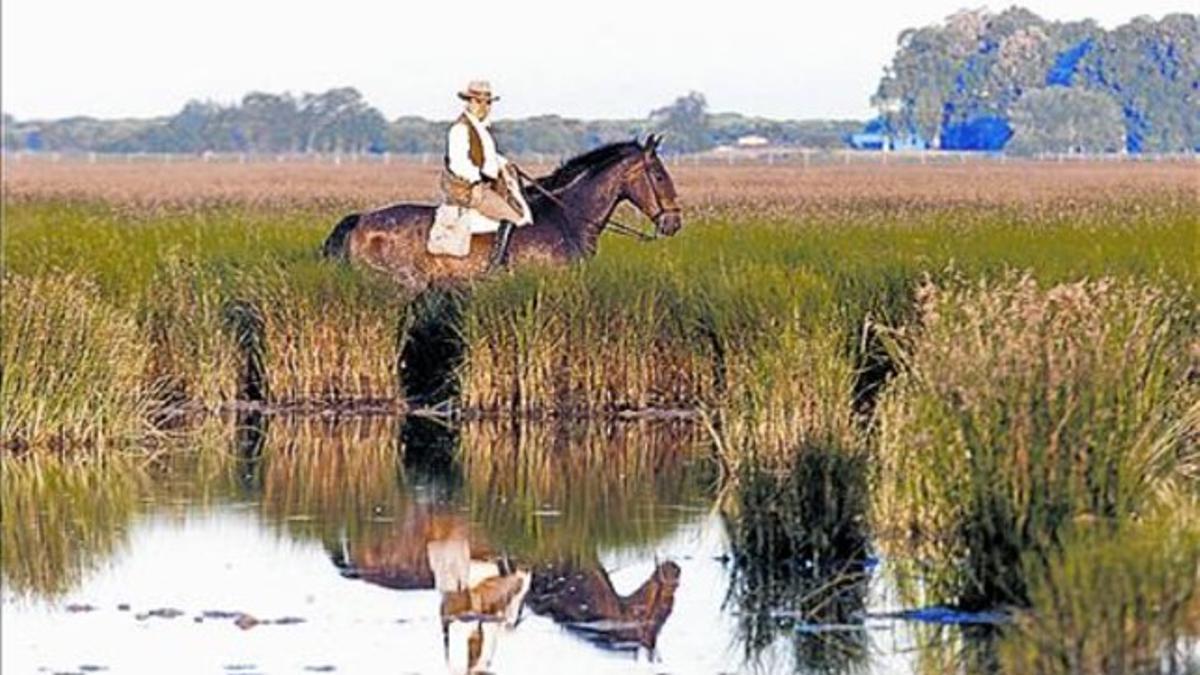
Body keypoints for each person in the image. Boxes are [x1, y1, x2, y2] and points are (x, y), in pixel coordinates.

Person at [441, 80, 530, 269]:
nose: (483, 107)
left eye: (487, 102)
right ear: (468, 101)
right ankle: (496, 265)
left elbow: (488, 156)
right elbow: (459, 163)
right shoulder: (460, 129)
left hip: (484, 183)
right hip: (468, 188)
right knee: (516, 219)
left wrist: (505, 164)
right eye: (478, 101)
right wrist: (480, 178)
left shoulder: (481, 129)